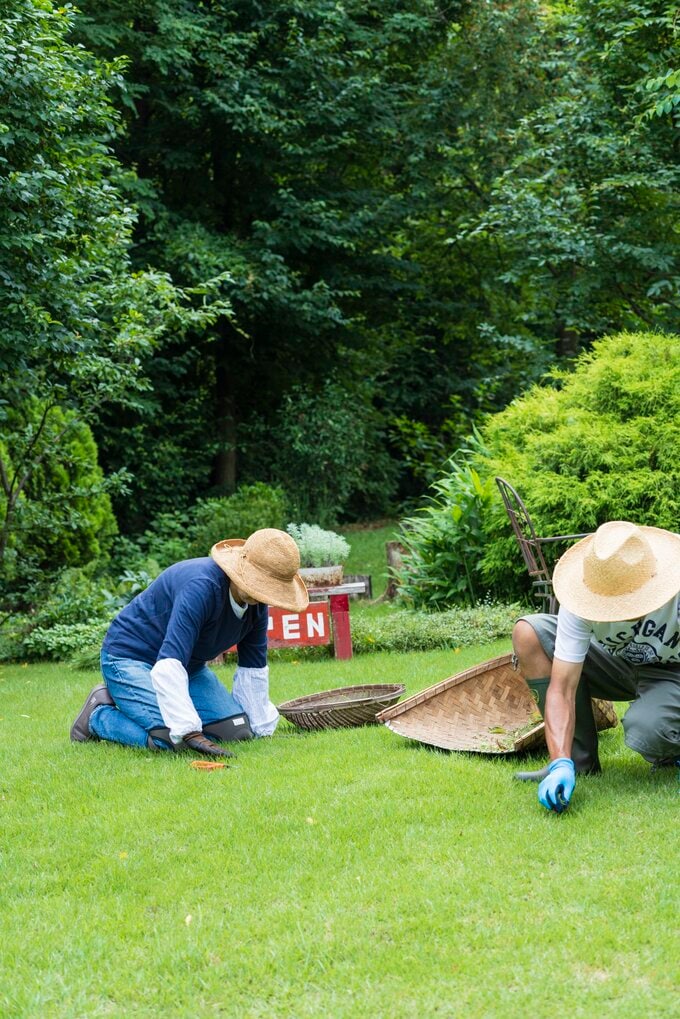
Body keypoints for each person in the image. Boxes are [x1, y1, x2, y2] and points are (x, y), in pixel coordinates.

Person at [70, 528, 309, 756]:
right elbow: (170, 658)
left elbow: (253, 667)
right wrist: (188, 729)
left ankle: (140, 704)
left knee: (235, 731)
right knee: (171, 740)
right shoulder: (201, 587)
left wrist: (260, 728)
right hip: (130, 659)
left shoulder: (256, 607)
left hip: (189, 667)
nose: (264, 593)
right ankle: (98, 716)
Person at [512, 520, 680, 813]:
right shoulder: (584, 595)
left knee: (648, 731)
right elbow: (562, 688)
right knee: (530, 633)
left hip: (671, 671)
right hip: (616, 663)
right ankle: (575, 763)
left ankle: (669, 751)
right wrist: (560, 761)